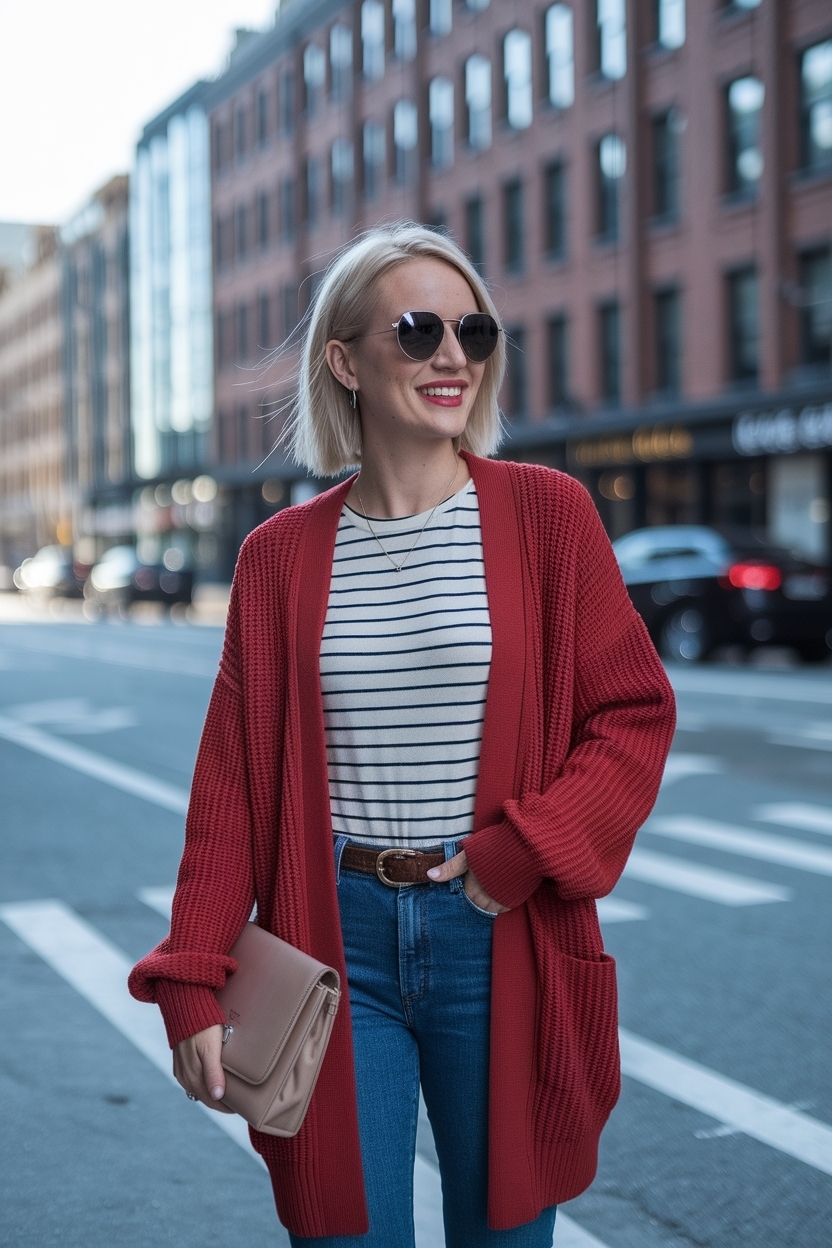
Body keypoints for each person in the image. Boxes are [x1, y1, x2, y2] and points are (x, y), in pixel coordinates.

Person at [129, 222, 675, 1247]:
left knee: (503, 1231)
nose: (452, 357)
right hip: (330, 943)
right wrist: (193, 974)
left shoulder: (549, 516)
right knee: (345, 1233)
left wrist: (520, 853)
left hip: (498, 927)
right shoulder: (277, 558)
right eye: (418, 330)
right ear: (344, 360)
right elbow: (233, 786)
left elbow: (632, 713)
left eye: (472, 330)